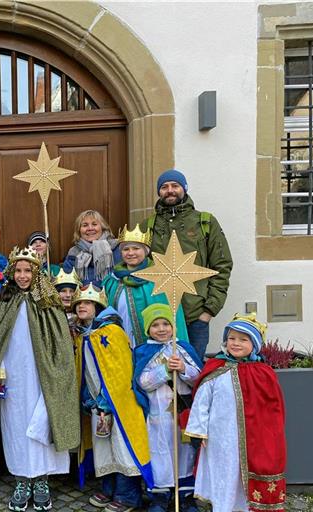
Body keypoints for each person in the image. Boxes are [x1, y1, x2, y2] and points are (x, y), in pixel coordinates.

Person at [0, 246, 80, 512]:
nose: (23, 276)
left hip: (41, 376)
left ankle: (42, 480)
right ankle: (22, 479)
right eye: (18, 271)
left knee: (43, 422)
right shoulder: (5, 302)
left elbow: (59, 342)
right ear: (11, 273)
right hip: (12, 377)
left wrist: (54, 372)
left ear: (37, 273)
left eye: (28, 271)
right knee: (16, 426)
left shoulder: (48, 302)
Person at [185, 313, 286, 512]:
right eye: (231, 338)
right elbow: (201, 402)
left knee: (243, 477)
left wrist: (269, 436)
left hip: (254, 440)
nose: (236, 343)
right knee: (224, 474)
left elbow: (273, 409)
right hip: (220, 439)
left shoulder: (263, 373)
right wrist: (199, 430)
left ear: (255, 344)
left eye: (243, 339)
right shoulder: (216, 368)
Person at [71, 284, 153, 512]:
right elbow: (86, 372)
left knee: (122, 446)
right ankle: (109, 488)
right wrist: (90, 398)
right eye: (78, 304)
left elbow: (121, 370)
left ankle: (128, 496)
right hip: (97, 403)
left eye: (87, 303)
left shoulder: (112, 333)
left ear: (97, 307)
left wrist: (109, 400)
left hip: (118, 403)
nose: (82, 307)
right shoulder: (84, 335)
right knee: (103, 447)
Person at [146, 169, 233, 359]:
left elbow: (222, 266)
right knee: (159, 377)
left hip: (195, 316)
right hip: (160, 316)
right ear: (159, 192)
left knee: (193, 375)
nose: (170, 190)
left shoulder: (205, 222)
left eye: (175, 186)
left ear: (184, 189)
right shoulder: (148, 226)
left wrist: (209, 311)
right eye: (164, 187)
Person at [133, 304, 202, 512]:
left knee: (185, 452)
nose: (161, 329)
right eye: (155, 325)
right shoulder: (144, 352)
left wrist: (183, 369)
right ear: (148, 329)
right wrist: (163, 370)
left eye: (166, 324)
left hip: (182, 414)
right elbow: (142, 382)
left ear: (174, 327)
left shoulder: (183, 349)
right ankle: (159, 497)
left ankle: (186, 496)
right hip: (158, 415)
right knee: (160, 452)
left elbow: (199, 378)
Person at [102, 225, 190, 348]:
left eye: (136, 248)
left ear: (146, 251)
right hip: (120, 339)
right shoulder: (112, 280)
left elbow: (174, 318)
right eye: (126, 249)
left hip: (152, 344)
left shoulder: (160, 279)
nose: (131, 253)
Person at [63, 210, 121, 287]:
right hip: (84, 297)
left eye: (94, 224)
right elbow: (67, 282)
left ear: (102, 227)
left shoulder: (116, 248)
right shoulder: (73, 253)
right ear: (79, 230)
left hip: (111, 296)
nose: (90, 228)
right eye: (85, 225)